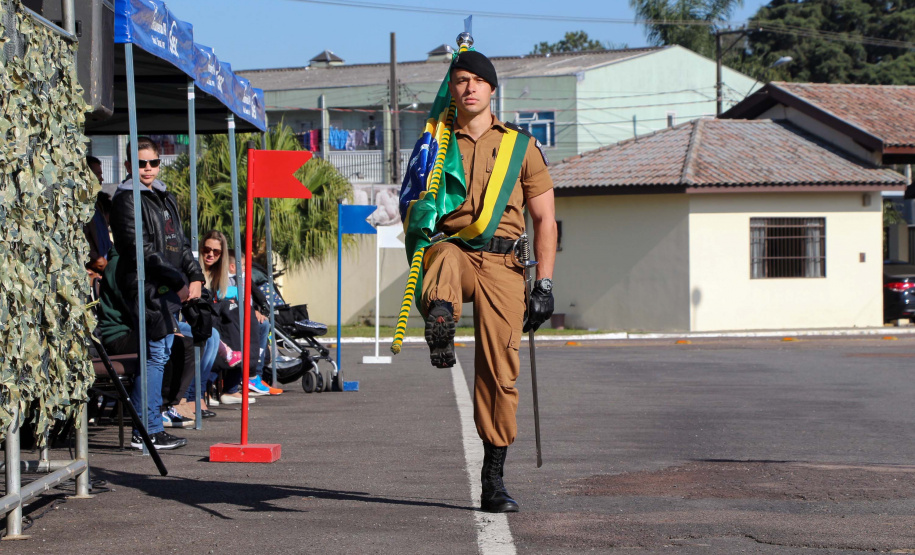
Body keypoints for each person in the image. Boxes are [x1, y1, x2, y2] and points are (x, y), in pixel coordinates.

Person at [417, 51, 557, 513]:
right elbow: (415, 206)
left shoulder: (522, 146)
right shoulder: (435, 146)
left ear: (492, 89)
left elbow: (545, 219)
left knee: (500, 373)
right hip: (456, 249)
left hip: (504, 265)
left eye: (478, 80)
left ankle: (493, 479)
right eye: (460, 80)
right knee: (442, 257)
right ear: (452, 89)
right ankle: (440, 318)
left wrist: (545, 285)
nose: (469, 88)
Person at [108, 136, 207, 450]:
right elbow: (139, 249)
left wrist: (195, 277)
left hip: (169, 288)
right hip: (146, 286)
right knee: (154, 355)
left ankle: (151, 426)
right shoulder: (126, 199)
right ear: (128, 166)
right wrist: (177, 280)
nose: (148, 169)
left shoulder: (165, 197)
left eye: (153, 162)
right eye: (141, 163)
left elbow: (180, 243)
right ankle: (146, 430)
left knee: (160, 354)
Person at [227, 253, 281, 396]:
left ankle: (256, 374)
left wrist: (255, 310)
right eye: (243, 265)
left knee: (263, 324)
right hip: (232, 317)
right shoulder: (228, 280)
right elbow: (230, 299)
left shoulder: (244, 278)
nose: (245, 268)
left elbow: (253, 298)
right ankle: (250, 376)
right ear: (233, 266)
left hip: (245, 313)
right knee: (254, 326)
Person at [84, 156, 112, 276]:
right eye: (97, 174)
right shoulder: (81, 208)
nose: (102, 179)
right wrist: (97, 261)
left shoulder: (97, 205)